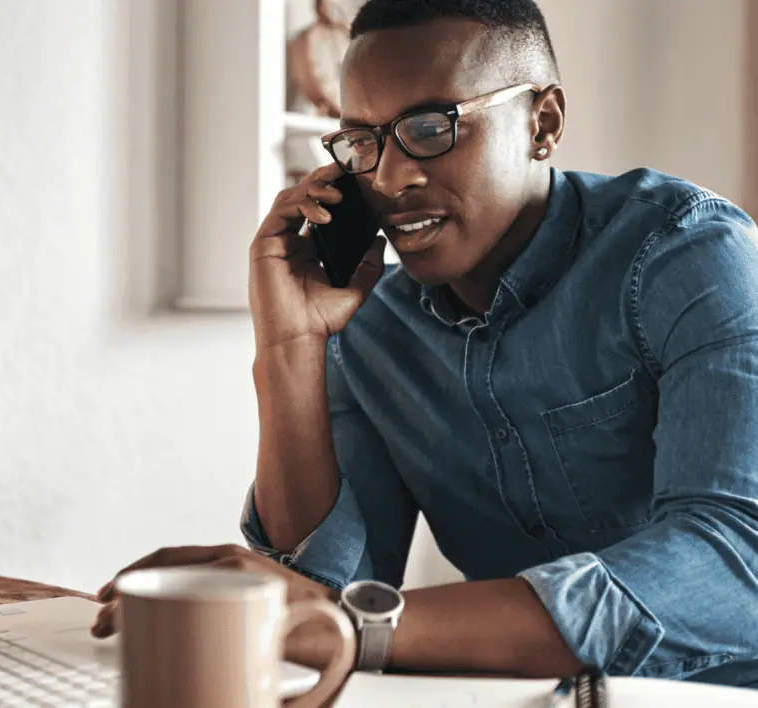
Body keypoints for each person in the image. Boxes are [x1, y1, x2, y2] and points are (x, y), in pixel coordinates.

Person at [92, 0, 758, 686]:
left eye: (431, 128)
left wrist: (354, 626)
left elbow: (735, 564)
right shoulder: (371, 320)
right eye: (362, 141)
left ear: (543, 123)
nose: (387, 179)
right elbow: (326, 591)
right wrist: (289, 346)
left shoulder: (686, 254)